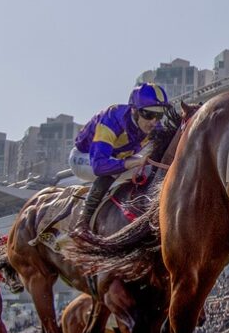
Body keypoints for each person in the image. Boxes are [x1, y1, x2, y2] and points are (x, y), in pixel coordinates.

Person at [69, 82, 171, 237]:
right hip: (84, 158)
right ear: (134, 110)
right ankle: (82, 224)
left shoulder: (154, 126)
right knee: (111, 172)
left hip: (117, 158)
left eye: (159, 115)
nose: (154, 122)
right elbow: (99, 166)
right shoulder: (111, 120)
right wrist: (135, 162)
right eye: (149, 115)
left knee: (151, 168)